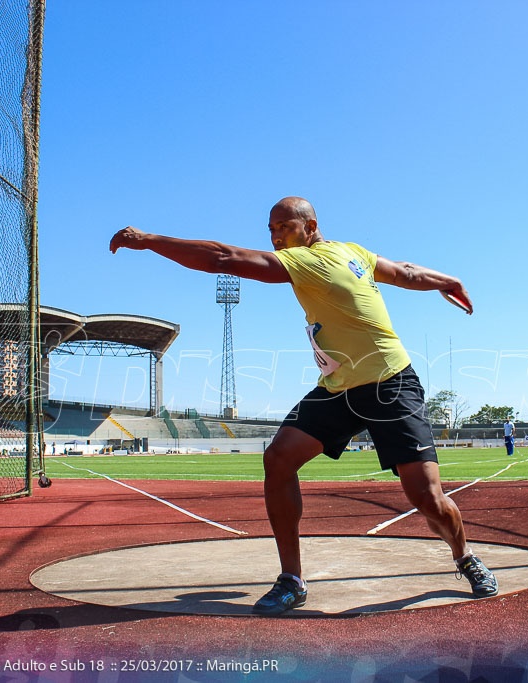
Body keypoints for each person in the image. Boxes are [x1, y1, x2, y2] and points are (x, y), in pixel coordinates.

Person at [110, 196, 498, 615]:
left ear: (310, 225)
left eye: (284, 227)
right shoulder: (326, 256)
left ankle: (465, 557)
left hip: (390, 385)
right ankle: (292, 580)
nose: (276, 236)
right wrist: (446, 280)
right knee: (278, 458)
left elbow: (226, 257)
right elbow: (404, 272)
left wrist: (149, 240)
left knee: (426, 497)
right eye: (271, 229)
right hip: (337, 388)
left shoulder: (339, 256)